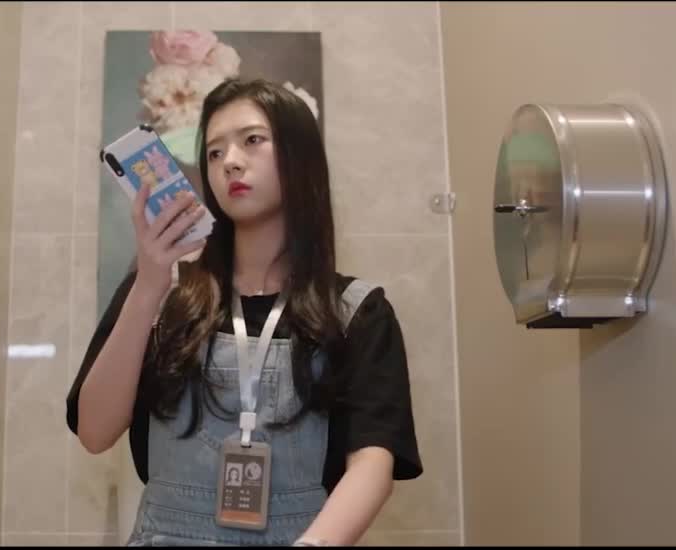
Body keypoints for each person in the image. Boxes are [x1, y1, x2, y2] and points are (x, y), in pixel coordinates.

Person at [66, 78, 422, 546]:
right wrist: (149, 285)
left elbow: (373, 463)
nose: (230, 161)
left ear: (299, 156)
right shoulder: (160, 292)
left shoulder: (358, 312)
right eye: (214, 152)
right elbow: (94, 432)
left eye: (252, 140)